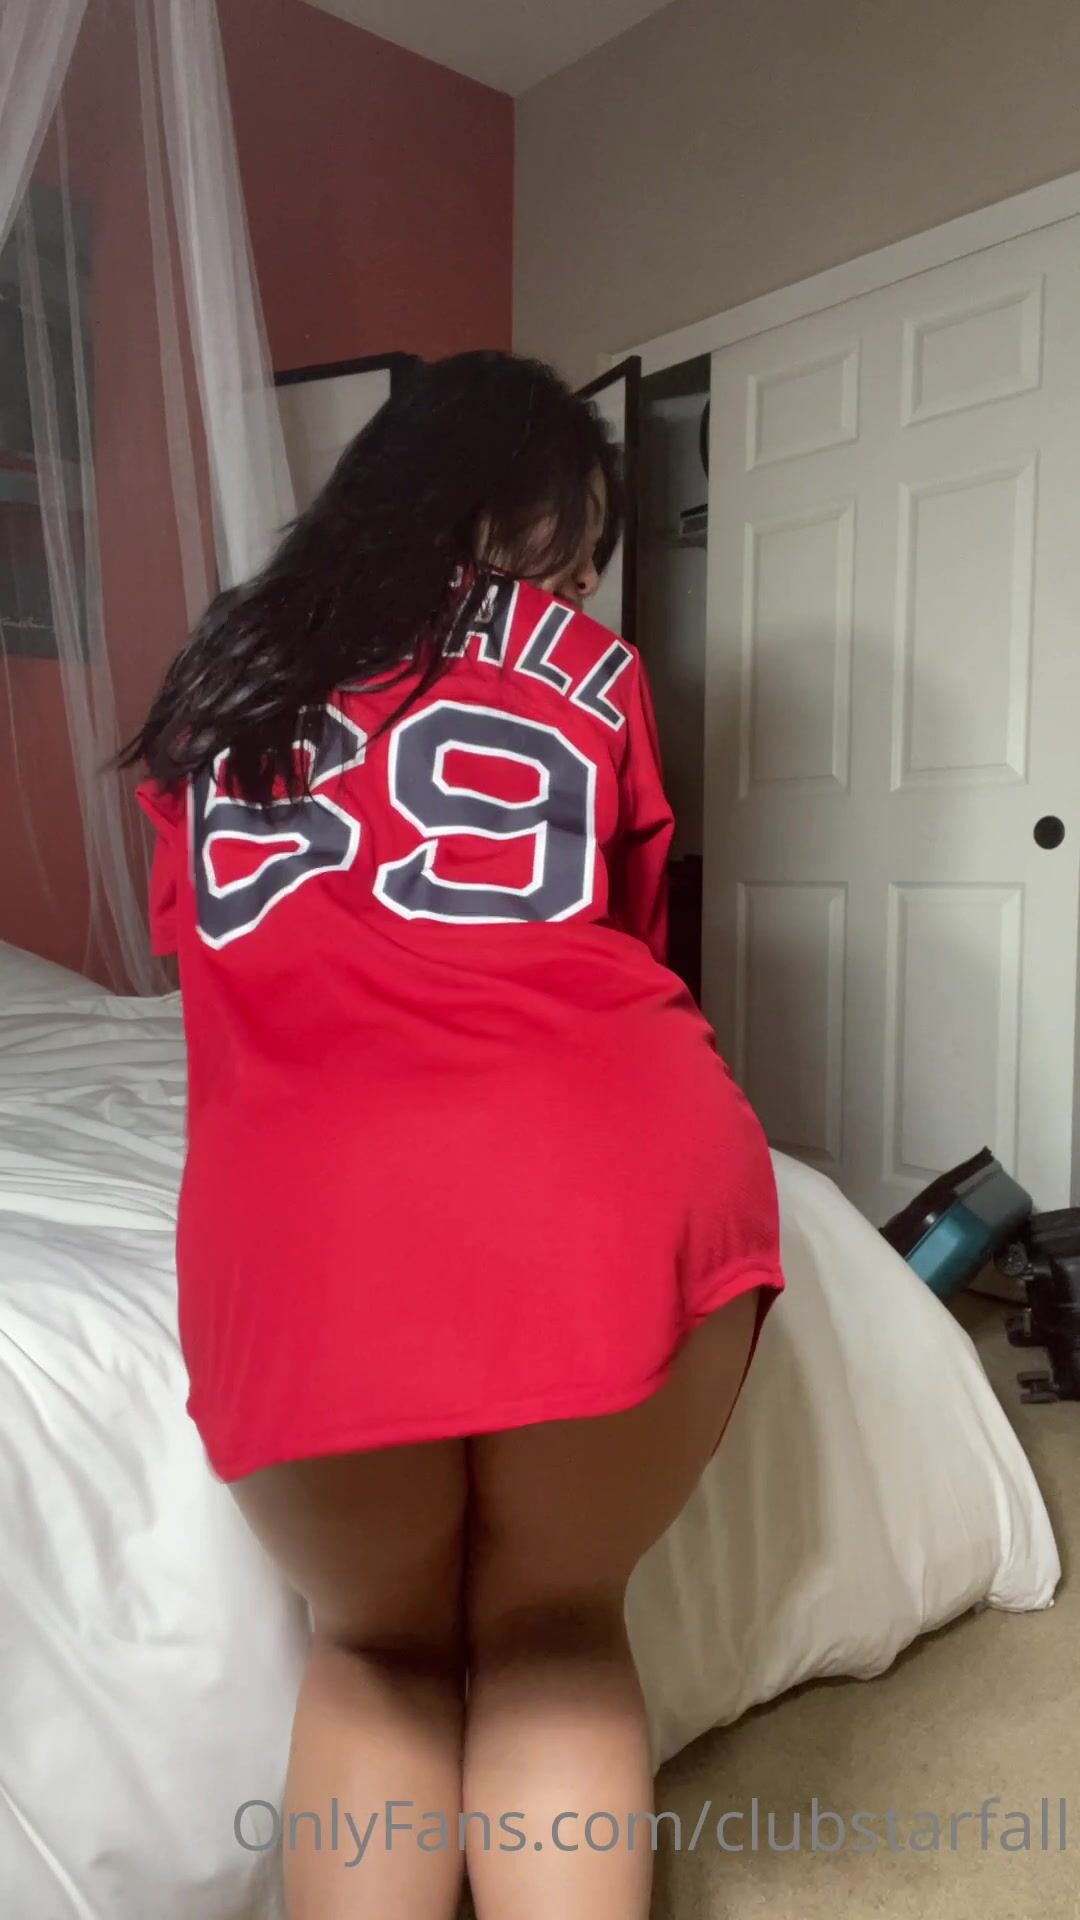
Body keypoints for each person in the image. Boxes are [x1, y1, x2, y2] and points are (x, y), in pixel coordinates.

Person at [125, 350, 784, 1920]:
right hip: (611, 1169)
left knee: (378, 1651)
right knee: (556, 1632)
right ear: (507, 512)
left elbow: (214, 975)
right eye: (578, 543)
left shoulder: (217, 688)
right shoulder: (588, 666)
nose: (583, 581)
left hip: (311, 1214)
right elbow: (616, 939)